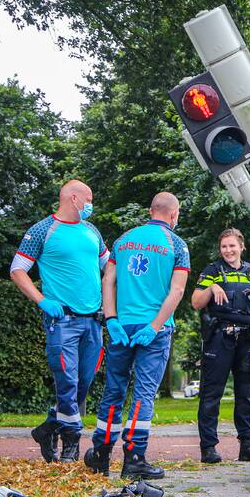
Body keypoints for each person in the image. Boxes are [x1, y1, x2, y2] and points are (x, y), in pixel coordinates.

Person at [83, 193, 189, 479]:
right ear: (173, 214)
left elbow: (108, 280)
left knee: (114, 389)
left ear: (150, 210)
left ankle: (100, 455)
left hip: (122, 326)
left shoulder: (123, 240)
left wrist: (112, 319)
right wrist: (155, 326)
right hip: (153, 329)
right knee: (143, 392)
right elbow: (176, 292)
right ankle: (134, 459)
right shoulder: (177, 246)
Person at [10, 180, 109, 463]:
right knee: (67, 382)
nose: (91, 205)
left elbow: (109, 267)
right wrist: (42, 300)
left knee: (81, 385)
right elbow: (18, 270)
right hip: (61, 320)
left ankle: (47, 429)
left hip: (93, 321)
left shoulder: (92, 231)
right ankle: (71, 443)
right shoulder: (43, 230)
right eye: (89, 199)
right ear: (73, 198)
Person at [191, 228, 250, 464]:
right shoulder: (212, 271)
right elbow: (196, 302)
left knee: (246, 394)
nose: (228, 250)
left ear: (241, 247)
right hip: (220, 338)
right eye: (224, 246)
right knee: (211, 394)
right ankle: (209, 448)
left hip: (247, 339)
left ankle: (247, 445)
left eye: (232, 246)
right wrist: (211, 288)